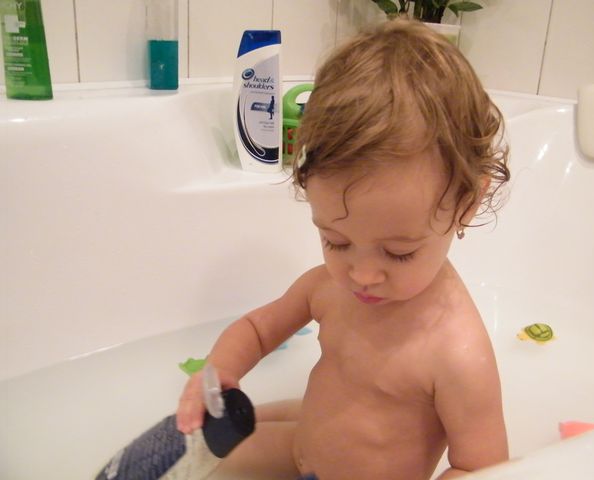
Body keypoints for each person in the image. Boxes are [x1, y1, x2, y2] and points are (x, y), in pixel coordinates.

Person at [177, 19, 510, 480]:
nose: (362, 274)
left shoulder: (455, 351)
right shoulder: (328, 288)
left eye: (399, 252)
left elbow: (481, 468)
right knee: (199, 453)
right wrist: (218, 372)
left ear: (466, 204)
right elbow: (257, 329)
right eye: (337, 242)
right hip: (302, 448)